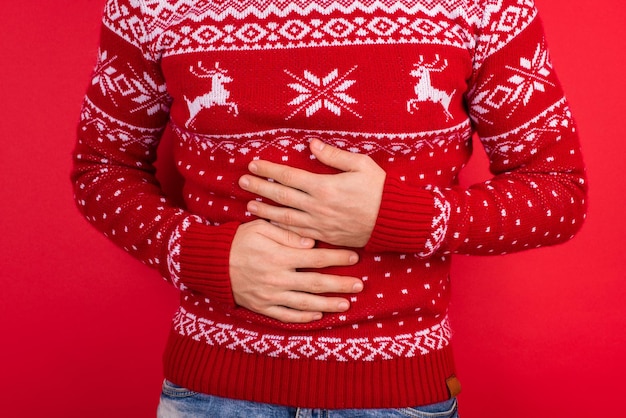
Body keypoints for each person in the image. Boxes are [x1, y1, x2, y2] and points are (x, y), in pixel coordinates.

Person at [71, 0, 587, 416]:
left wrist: (397, 218)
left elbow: (559, 191)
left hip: (398, 395)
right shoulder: (151, 6)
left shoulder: (483, 6)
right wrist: (202, 255)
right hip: (213, 390)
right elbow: (100, 168)